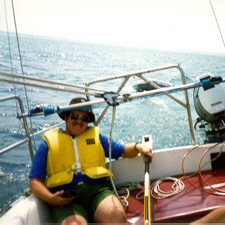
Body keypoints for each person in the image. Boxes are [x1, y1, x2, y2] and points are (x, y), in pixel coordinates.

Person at [29, 97, 153, 225]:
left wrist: (138, 146)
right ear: (66, 117)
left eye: (84, 118)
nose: (79, 121)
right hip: (66, 199)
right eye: (75, 116)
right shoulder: (47, 145)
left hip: (98, 192)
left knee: (117, 216)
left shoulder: (97, 138)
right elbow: (35, 182)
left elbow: (122, 151)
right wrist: (51, 199)